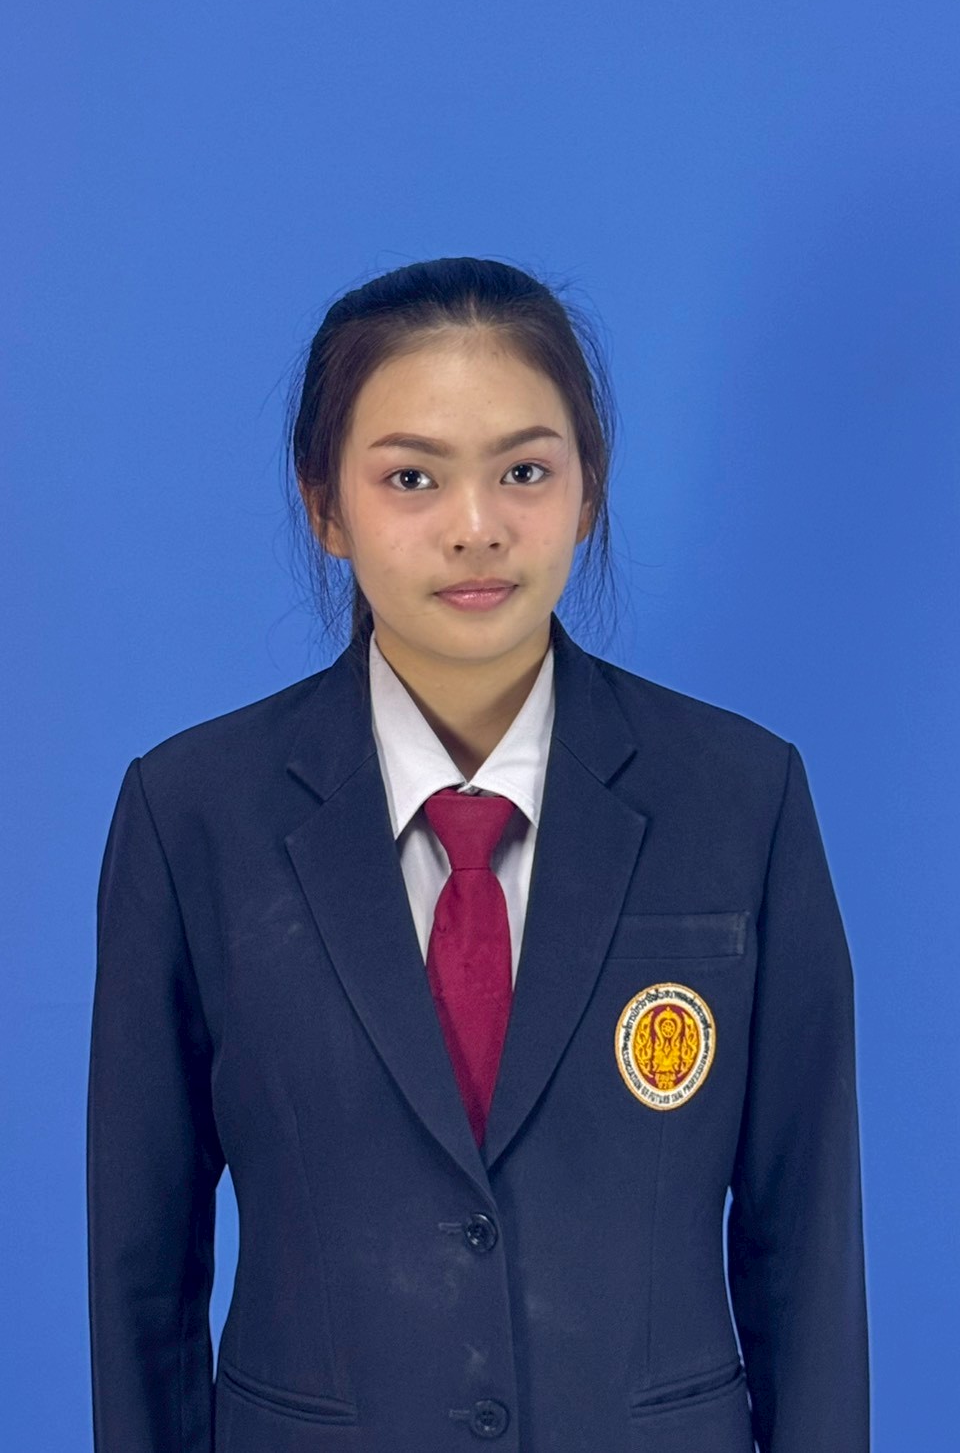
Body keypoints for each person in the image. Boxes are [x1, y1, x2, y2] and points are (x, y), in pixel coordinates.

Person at [86, 257, 869, 1453]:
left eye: (524, 470)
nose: (476, 526)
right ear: (324, 505)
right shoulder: (192, 813)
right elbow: (143, 1273)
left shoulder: (741, 797)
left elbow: (805, 1244)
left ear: (588, 487)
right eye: (411, 476)